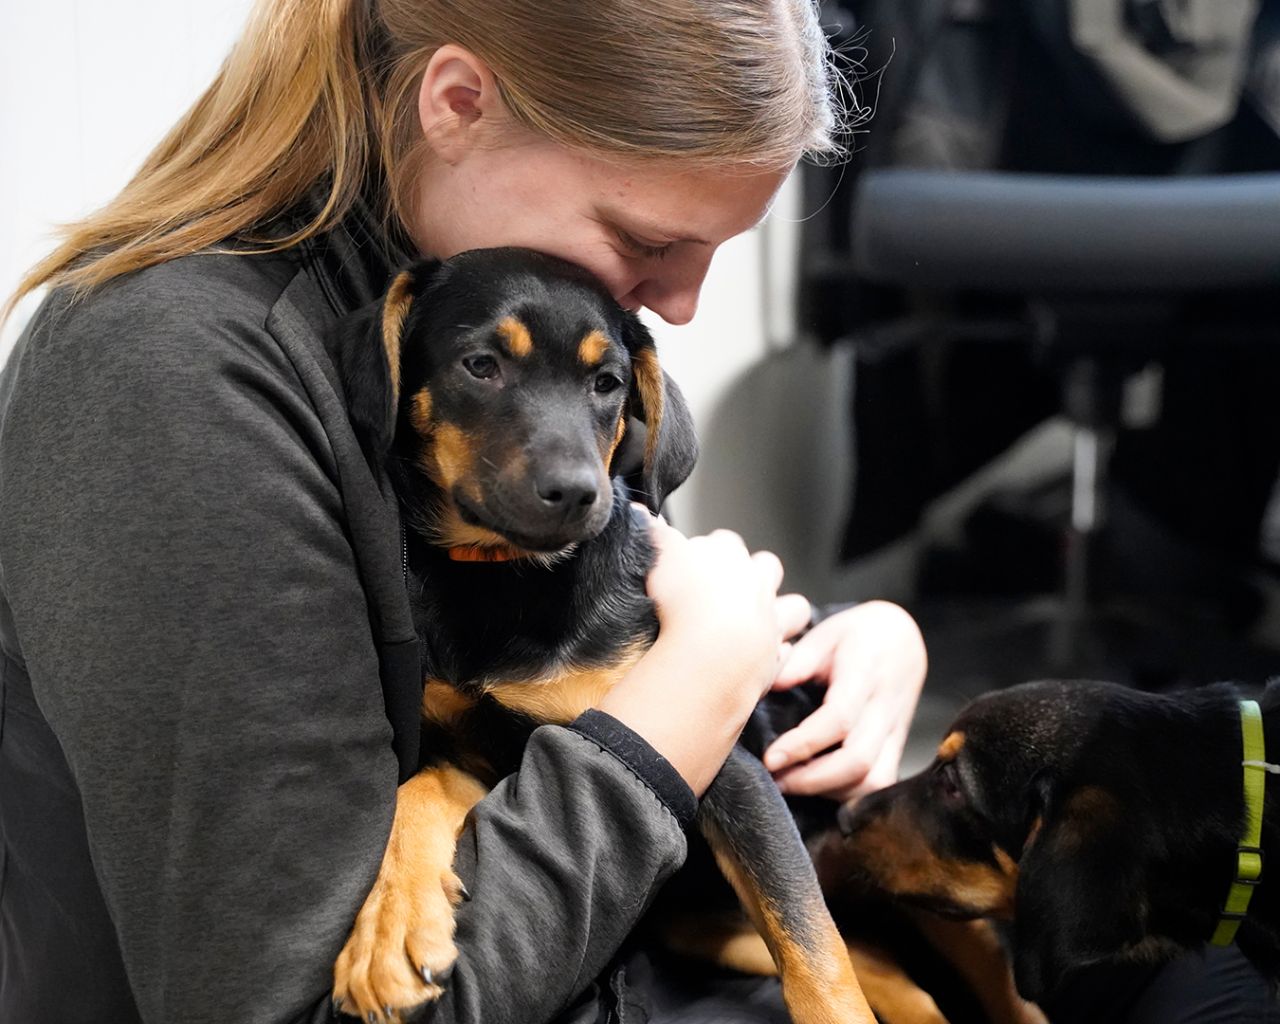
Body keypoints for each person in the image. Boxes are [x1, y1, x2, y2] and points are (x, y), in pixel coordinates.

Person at [0, 3, 926, 1023]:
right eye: (644, 238)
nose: (682, 305)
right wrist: (688, 697)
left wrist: (842, 646)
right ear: (456, 105)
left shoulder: (497, 355)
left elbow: (594, 641)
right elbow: (296, 997)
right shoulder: (173, 383)